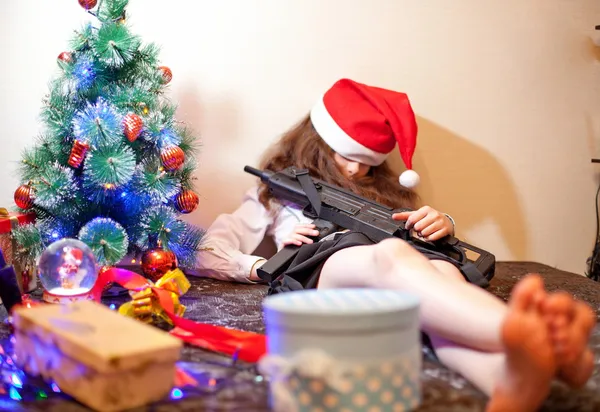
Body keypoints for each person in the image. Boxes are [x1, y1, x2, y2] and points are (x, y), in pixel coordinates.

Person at [196, 78, 596, 412]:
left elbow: (415, 248)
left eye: (367, 160)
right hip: (328, 267)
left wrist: (440, 224)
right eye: (345, 155)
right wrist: (260, 264)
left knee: (440, 283)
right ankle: (520, 332)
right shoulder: (279, 191)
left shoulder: (384, 192)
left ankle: (509, 381)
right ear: (317, 141)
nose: (356, 169)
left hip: (407, 263)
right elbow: (205, 250)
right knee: (391, 256)